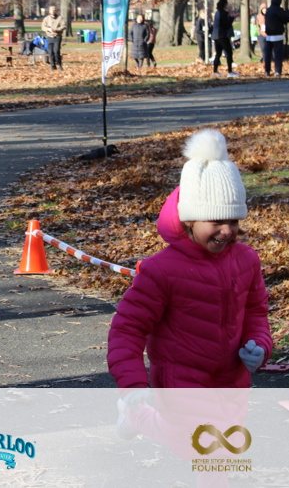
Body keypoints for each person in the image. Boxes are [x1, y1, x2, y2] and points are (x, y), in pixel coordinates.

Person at [107, 128, 272, 390]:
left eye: (234, 220)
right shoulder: (161, 270)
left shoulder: (246, 259)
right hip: (180, 389)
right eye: (216, 221)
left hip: (233, 387)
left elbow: (255, 312)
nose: (227, 230)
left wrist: (259, 344)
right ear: (189, 220)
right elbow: (127, 330)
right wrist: (134, 387)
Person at [263, 0, 289, 76]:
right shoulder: (279, 10)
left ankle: (267, 70)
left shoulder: (268, 10)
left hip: (268, 36)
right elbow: (286, 19)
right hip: (278, 35)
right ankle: (278, 70)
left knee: (268, 55)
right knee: (278, 54)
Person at [211, 0, 237, 77]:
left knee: (218, 53)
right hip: (222, 36)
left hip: (216, 36)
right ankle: (230, 71)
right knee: (229, 53)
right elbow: (226, 24)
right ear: (225, 4)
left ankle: (215, 71)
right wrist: (232, 18)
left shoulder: (217, 12)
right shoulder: (223, 13)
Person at [41, 5, 66, 70]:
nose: (53, 11)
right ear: (49, 11)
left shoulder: (60, 18)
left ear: (56, 11)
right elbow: (43, 27)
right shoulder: (46, 18)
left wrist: (57, 29)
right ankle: (53, 66)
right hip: (49, 37)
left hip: (57, 37)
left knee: (56, 51)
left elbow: (64, 26)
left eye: (54, 10)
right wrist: (48, 29)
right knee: (50, 52)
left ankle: (59, 64)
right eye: (52, 10)